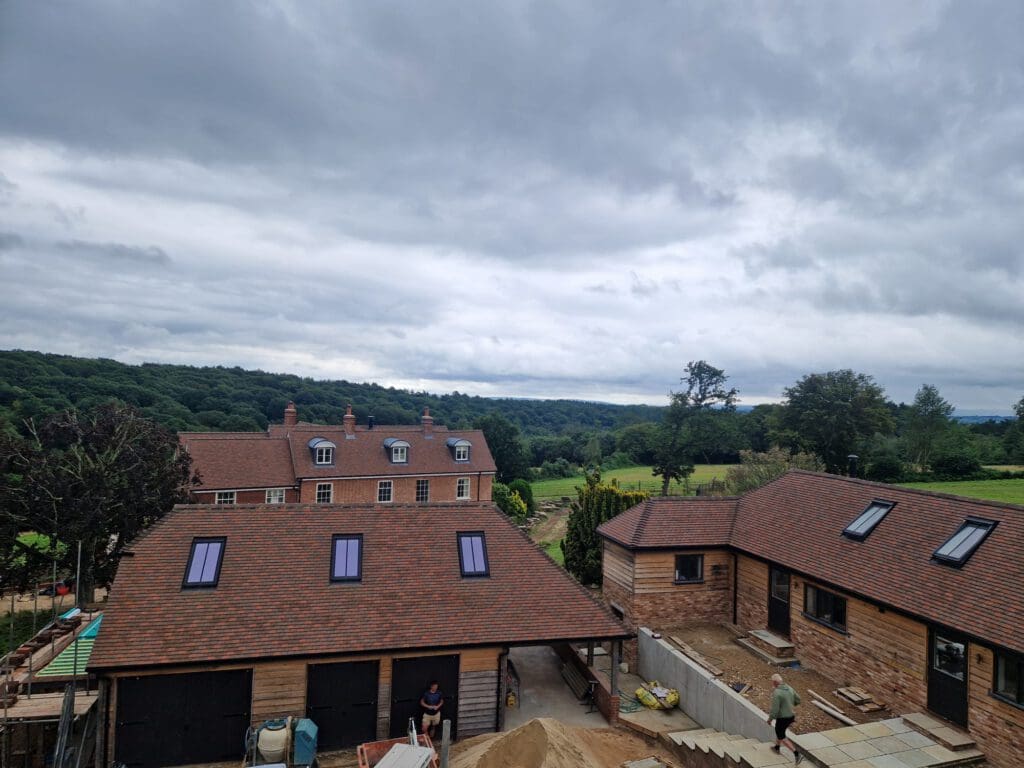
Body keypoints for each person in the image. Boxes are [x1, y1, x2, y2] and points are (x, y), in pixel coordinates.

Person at [767, 673, 803, 764]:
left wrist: (770, 719)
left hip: (783, 718)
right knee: (780, 732)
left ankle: (797, 754)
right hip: (791, 716)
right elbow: (798, 699)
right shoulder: (790, 688)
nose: (772, 683)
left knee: (781, 736)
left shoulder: (777, 692)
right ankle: (777, 747)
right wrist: (789, 705)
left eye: (772, 682)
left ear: (775, 682)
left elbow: (775, 710)